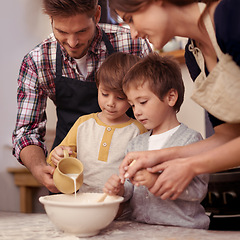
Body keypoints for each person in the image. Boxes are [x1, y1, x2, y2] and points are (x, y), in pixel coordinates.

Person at [12, 0, 151, 193]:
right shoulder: (37, 60)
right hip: (69, 176)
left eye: (81, 31)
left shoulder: (132, 44)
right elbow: (27, 132)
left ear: (96, 15)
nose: (72, 42)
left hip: (127, 182)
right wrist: (38, 168)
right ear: (51, 19)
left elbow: (157, 111)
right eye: (62, 32)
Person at [108, 0, 240, 200]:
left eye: (131, 19)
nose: (133, 33)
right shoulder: (194, 56)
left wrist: (192, 165)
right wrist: (159, 156)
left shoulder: (230, 15)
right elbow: (227, 136)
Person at [103, 53, 209, 229]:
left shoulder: (191, 141)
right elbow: (130, 186)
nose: (136, 111)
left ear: (170, 97)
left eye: (142, 102)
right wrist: (120, 190)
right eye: (133, 104)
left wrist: (155, 182)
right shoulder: (136, 144)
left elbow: (198, 192)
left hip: (183, 231)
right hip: (142, 229)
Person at [47, 52, 146, 193]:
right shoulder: (83, 123)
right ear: (98, 87)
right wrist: (56, 155)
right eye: (105, 94)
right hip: (83, 203)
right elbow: (54, 159)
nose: (111, 103)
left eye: (120, 97)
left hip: (121, 208)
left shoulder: (139, 130)